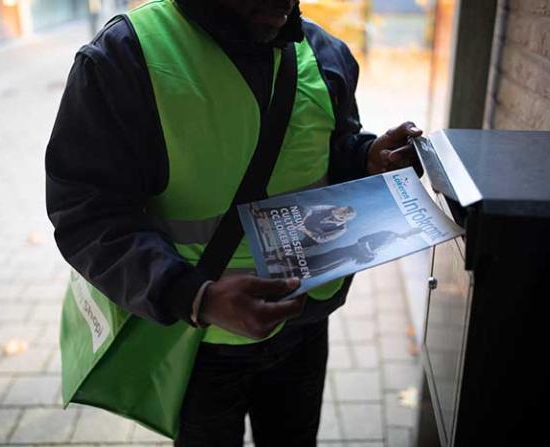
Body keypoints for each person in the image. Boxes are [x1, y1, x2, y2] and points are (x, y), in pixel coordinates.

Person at [45, 0, 423, 445]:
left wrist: (365, 157)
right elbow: (88, 213)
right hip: (198, 344)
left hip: (303, 325)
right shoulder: (125, 58)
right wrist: (194, 296)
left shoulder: (325, 54)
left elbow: (324, 151)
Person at [305, 227, 424, 277]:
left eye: (413, 235)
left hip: (358, 257)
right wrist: (368, 251)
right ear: (409, 230)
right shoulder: (388, 234)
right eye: (412, 232)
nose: (409, 235)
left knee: (330, 266)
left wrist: (371, 256)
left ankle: (305, 272)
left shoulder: (399, 245)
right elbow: (363, 239)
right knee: (327, 260)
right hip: (353, 251)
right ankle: (300, 264)